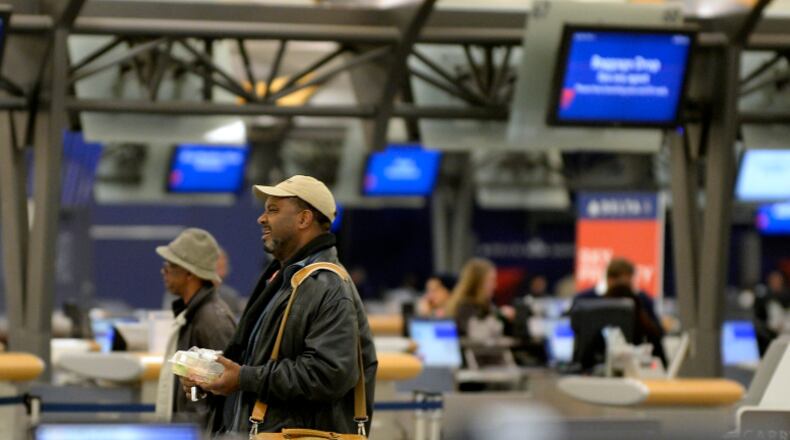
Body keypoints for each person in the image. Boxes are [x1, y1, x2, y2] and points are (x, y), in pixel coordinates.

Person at [187, 175, 378, 436]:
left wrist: (243, 377)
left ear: (304, 219)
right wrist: (215, 377)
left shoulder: (327, 285)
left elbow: (329, 375)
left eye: (273, 210)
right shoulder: (284, 279)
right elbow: (260, 361)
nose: (261, 219)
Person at [154, 228, 236, 427]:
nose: (163, 271)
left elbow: (227, 394)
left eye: (169, 265)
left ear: (189, 273)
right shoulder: (193, 314)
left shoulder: (212, 321)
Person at [573, 258, 667, 367]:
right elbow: (580, 336)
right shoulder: (586, 299)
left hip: (637, 361)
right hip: (596, 362)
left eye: (627, 284)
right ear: (610, 280)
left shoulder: (642, 301)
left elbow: (656, 333)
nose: (623, 290)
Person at [446, 258, 514, 337]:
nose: (495, 286)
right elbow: (478, 337)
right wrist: (500, 317)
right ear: (478, 282)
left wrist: (504, 317)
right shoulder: (464, 308)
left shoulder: (486, 305)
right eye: (491, 280)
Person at [754, 270, 790, 355]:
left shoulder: (787, 297)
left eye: (778, 281)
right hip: (770, 335)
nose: (776, 283)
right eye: (773, 281)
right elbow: (759, 320)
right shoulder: (763, 299)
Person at [214, 248, 247, 318]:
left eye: (224, 259)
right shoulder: (201, 294)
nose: (222, 262)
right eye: (218, 259)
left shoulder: (230, 295)